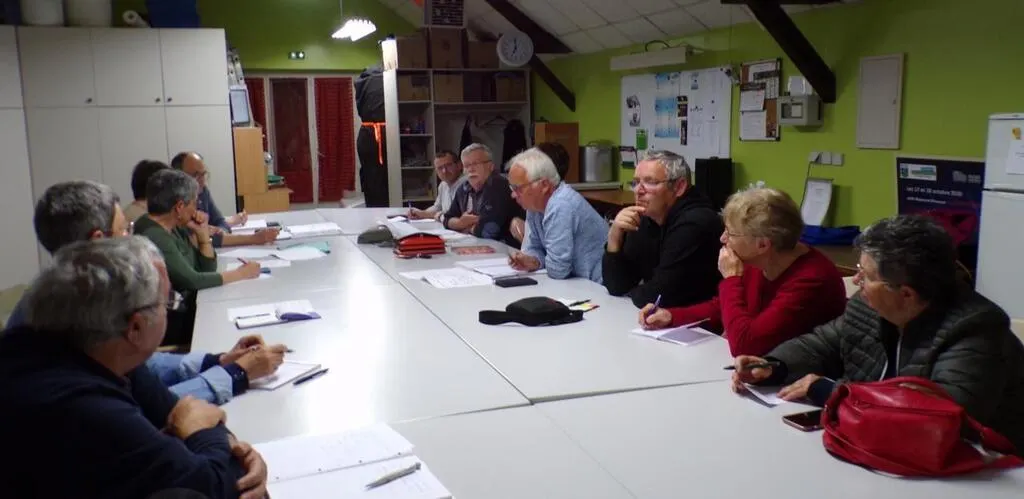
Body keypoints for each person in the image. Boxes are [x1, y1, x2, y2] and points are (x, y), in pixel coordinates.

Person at [0, 237, 268, 498]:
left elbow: (183, 413)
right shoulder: (82, 405)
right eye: (167, 302)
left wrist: (232, 448)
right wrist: (214, 442)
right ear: (136, 327)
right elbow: (216, 487)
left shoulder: (98, 350)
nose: (169, 309)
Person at [733, 215, 1024, 452]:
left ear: (906, 294)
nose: (856, 280)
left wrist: (831, 393)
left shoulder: (975, 329)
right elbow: (820, 344)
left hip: (980, 468)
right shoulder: (868, 306)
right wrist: (774, 366)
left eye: (866, 275)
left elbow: (940, 415)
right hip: (878, 449)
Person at [4, 180, 286, 405]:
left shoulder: (81, 291)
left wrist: (215, 361)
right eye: (124, 230)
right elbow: (143, 410)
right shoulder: (64, 318)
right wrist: (235, 375)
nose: (132, 237)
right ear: (98, 242)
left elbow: (143, 369)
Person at [639, 188, 847, 356]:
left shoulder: (811, 280)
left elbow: (746, 345)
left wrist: (731, 280)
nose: (722, 239)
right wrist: (672, 316)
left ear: (762, 244)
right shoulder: (759, 259)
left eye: (730, 233)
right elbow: (723, 308)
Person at [602, 150, 723, 308]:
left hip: (701, 320)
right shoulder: (648, 217)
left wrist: (635, 292)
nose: (638, 190)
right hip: (663, 316)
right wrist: (614, 237)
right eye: (636, 182)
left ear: (679, 187)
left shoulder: (696, 223)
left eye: (650, 182)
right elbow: (617, 285)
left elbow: (660, 295)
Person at [135, 169, 262, 294]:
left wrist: (203, 236)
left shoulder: (174, 224)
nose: (196, 210)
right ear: (179, 207)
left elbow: (207, 269)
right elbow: (193, 280)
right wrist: (241, 273)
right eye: (194, 203)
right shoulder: (154, 235)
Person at [506, 148, 606, 283]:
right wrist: (532, 261)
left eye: (518, 188)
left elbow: (558, 270)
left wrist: (541, 260)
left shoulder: (561, 204)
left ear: (544, 185)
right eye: (512, 188)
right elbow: (534, 248)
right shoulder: (535, 207)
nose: (513, 195)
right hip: (578, 283)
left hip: (599, 286)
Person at [171, 152, 278, 247]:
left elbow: (220, 223)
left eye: (203, 174)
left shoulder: (202, 192)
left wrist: (219, 231)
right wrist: (254, 238)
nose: (202, 181)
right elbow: (198, 240)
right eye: (195, 176)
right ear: (179, 177)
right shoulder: (176, 205)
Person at [441, 143, 524, 247]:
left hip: (507, 250)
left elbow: (486, 232)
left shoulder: (499, 185)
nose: (471, 169)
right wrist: (460, 223)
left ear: (491, 166)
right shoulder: (464, 188)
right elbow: (447, 219)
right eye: (466, 165)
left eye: (475, 164)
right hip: (478, 247)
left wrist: (464, 228)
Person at [510, 142, 570, 243]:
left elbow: (555, 251)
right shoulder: (535, 201)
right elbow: (532, 247)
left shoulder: (563, 208)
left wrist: (526, 240)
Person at [409, 150, 467, 221]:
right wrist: (420, 213)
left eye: (448, 165)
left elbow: (457, 215)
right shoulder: (443, 184)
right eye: (440, 168)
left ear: (459, 165)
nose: (444, 171)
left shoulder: (467, 184)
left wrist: (438, 215)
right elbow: (437, 207)